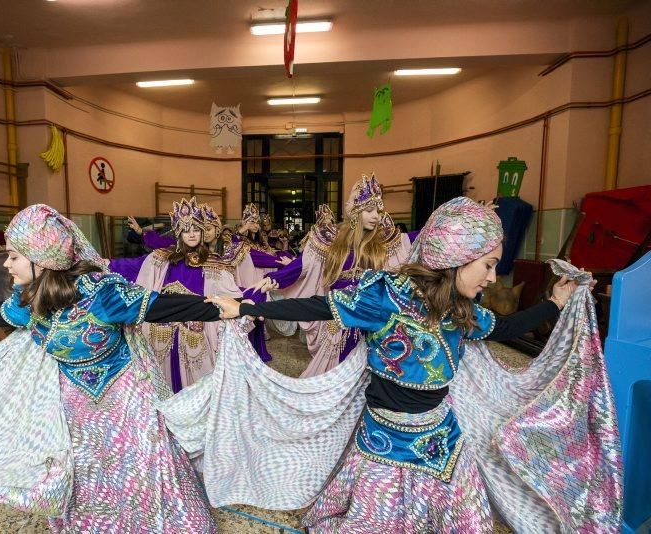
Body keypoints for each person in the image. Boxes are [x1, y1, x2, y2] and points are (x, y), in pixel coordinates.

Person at [205, 196, 621, 533]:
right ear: (456, 257)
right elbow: (320, 306)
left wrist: (555, 302)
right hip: (385, 440)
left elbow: (506, 327)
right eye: (488, 266)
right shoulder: (386, 297)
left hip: (443, 437)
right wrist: (245, 307)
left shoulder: (463, 310)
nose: (493, 279)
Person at [0, 204, 220, 532]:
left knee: (140, 464)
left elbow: (162, 307)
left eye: (13, 256)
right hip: (75, 406)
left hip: (127, 401)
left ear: (41, 257)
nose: (7, 264)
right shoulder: (27, 300)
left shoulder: (103, 294)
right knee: (86, 469)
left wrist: (224, 309)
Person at [252, 174, 412, 377]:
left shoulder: (384, 244)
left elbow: (412, 248)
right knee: (333, 371)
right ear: (355, 211)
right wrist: (273, 279)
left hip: (370, 321)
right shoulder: (330, 241)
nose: (376, 216)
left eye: (379, 211)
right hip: (338, 319)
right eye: (370, 210)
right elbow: (302, 266)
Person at [109, 197, 265, 391]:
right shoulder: (162, 258)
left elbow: (230, 294)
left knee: (197, 386)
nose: (191, 234)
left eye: (196, 229)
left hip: (194, 336)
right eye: (186, 229)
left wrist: (252, 298)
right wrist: (105, 264)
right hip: (160, 333)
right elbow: (133, 266)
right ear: (178, 232)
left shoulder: (213, 263)